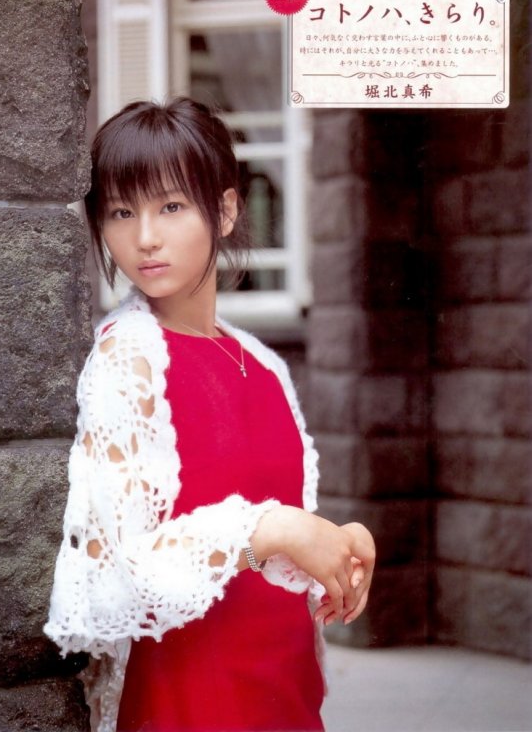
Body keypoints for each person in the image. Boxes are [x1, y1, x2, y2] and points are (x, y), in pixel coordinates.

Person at [44, 97, 375, 732]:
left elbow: (269, 540)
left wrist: (339, 545)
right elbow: (114, 575)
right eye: (121, 211)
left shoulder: (262, 363)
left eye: (171, 206)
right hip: (189, 699)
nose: (145, 237)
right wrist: (269, 529)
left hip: (284, 691)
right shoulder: (128, 358)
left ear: (223, 211)